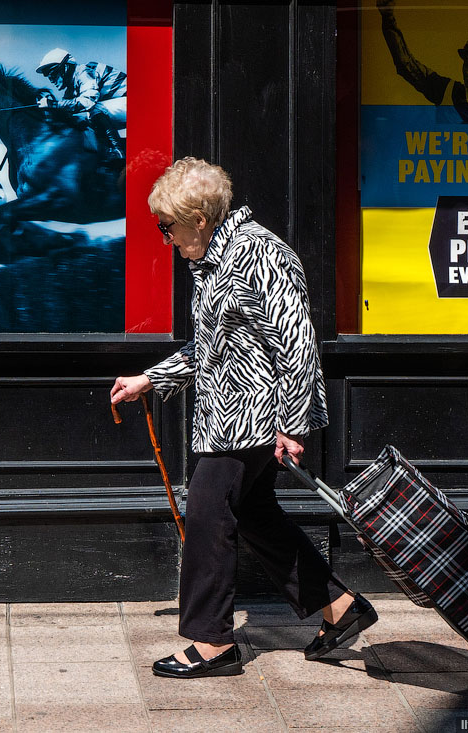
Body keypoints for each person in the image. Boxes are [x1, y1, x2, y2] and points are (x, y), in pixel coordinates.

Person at [110, 158, 377, 679]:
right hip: (224, 414)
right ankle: (339, 608)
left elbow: (298, 345)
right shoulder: (213, 260)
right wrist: (152, 379)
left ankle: (212, 643)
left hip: (251, 417)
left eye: (168, 225)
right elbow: (210, 347)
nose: (165, 237)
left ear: (201, 218)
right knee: (253, 514)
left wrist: (293, 426)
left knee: (210, 517)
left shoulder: (263, 255)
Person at [35, 48, 126, 160]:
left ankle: (117, 151)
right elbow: (66, 112)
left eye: (53, 74)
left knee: (94, 109)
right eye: (49, 77)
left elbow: (88, 101)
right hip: (122, 108)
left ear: (66, 68)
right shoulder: (71, 88)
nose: (52, 80)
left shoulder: (84, 72)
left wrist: (53, 104)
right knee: (81, 118)